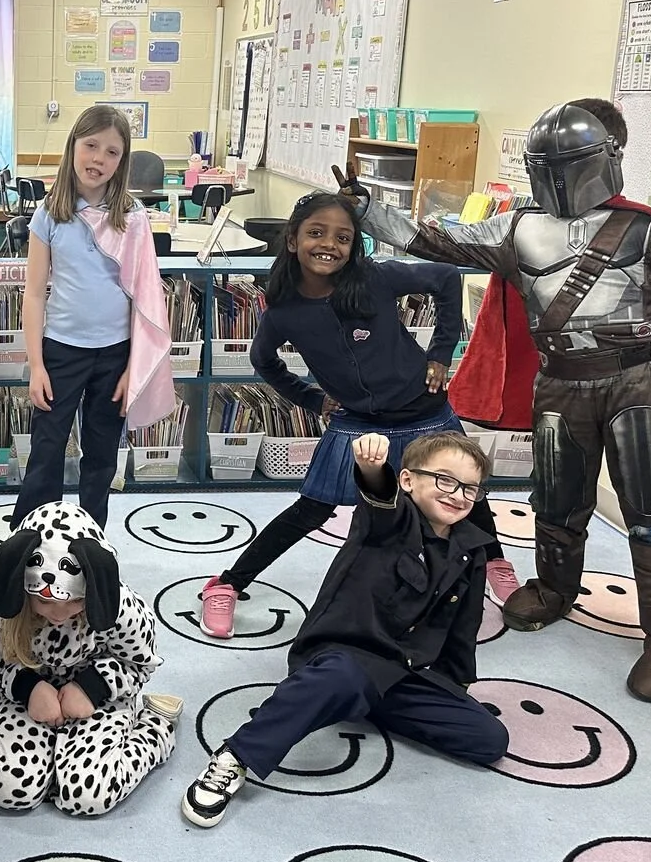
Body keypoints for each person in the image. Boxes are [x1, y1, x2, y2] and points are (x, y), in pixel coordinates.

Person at [341, 99, 651, 703]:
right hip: (560, 381)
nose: (560, 177)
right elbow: (438, 239)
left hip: (640, 380)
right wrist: (369, 210)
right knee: (557, 500)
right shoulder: (516, 228)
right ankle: (557, 590)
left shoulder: (646, 231)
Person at [198, 192, 518, 639]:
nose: (329, 244)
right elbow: (264, 362)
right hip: (356, 422)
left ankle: (498, 564)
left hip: (424, 412)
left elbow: (446, 278)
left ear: (355, 246)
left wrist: (440, 354)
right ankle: (227, 584)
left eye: (342, 237)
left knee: (467, 498)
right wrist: (311, 400)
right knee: (311, 508)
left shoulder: (374, 279)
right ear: (292, 241)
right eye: (316, 233)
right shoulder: (285, 309)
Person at [183, 432, 507, 828]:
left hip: (400, 673)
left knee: (489, 739)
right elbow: (379, 496)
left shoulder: (472, 549)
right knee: (341, 680)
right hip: (342, 657)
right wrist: (371, 468)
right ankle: (236, 757)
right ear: (408, 481)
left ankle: (360, 702)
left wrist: (452, 691)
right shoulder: (390, 521)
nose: (457, 494)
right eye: (444, 479)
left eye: (469, 488)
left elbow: (462, 629)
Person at [0, 502, 180, 816]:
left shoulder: (118, 604)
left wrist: (92, 688)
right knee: (9, 789)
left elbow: (140, 662)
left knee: (89, 795)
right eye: (41, 602)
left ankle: (156, 727)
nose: (58, 615)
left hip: (101, 694)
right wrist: (26, 688)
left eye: (74, 602)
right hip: (25, 687)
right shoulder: (0, 605)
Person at [13, 105, 175, 529]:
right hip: (62, 350)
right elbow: (33, 294)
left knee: (101, 455)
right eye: (91, 146)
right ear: (73, 147)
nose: (98, 159)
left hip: (116, 355)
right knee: (46, 451)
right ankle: (29, 541)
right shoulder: (49, 214)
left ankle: (90, 539)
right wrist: (36, 366)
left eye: (112, 152)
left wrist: (133, 370)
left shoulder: (134, 218)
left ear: (122, 161)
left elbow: (146, 301)